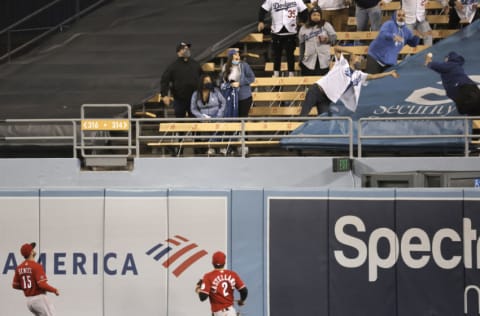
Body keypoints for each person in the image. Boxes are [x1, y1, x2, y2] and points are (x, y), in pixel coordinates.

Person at [301, 46, 400, 116]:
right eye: (358, 59)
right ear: (351, 60)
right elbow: (336, 48)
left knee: (325, 121)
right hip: (317, 90)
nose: (359, 60)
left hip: (327, 99)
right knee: (303, 116)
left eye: (361, 61)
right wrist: (350, 52)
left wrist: (389, 73)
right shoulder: (343, 64)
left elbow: (374, 76)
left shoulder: (359, 75)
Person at [258, 0, 308, 77]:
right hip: (276, 31)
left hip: (291, 31)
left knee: (290, 55)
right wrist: (261, 21)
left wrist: (304, 21)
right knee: (276, 54)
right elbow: (263, 10)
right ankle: (276, 73)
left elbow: (304, 10)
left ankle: (291, 73)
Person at [424, 51, 480, 115]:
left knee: (468, 108)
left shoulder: (451, 64)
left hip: (463, 89)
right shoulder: (456, 66)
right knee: (474, 112)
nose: (444, 60)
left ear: (449, 58)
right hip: (471, 89)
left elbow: (435, 65)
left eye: (446, 58)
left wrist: (429, 61)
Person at [366, 9, 421, 74]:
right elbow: (382, 34)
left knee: (388, 83)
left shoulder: (406, 31)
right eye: (399, 15)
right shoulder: (389, 24)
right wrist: (393, 36)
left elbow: (413, 44)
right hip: (375, 57)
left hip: (390, 61)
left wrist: (417, 37)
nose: (401, 17)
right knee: (371, 81)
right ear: (395, 16)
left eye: (403, 15)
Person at [12, 242, 60, 316]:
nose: (34, 250)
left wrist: (28, 287)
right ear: (31, 252)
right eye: (32, 249)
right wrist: (54, 290)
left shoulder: (19, 268)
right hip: (39, 298)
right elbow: (42, 284)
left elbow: (15, 285)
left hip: (29, 302)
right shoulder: (36, 266)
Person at [195, 251, 248, 316]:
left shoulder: (208, 276)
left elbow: (203, 297)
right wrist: (241, 301)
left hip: (219, 313)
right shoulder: (233, 274)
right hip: (231, 312)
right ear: (224, 262)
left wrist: (198, 289)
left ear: (212, 263)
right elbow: (244, 291)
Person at [160, 41, 203, 118]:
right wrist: (164, 95)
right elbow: (164, 80)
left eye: (187, 48)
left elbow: (203, 77)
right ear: (178, 52)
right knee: (180, 121)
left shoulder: (195, 64)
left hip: (194, 98)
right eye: (184, 49)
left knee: (195, 122)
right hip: (179, 99)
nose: (187, 50)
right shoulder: (173, 66)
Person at [191, 74, 227, 155]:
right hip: (204, 118)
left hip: (217, 116)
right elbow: (193, 109)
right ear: (202, 82)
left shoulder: (216, 91)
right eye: (206, 81)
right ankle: (211, 147)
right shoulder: (196, 94)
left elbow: (224, 102)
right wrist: (202, 117)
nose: (208, 83)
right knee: (206, 127)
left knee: (219, 125)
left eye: (209, 81)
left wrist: (219, 114)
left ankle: (221, 146)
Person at [298, 6, 337, 76]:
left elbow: (334, 38)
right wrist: (301, 59)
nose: (316, 16)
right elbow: (302, 44)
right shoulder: (303, 28)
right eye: (314, 15)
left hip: (324, 60)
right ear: (310, 16)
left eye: (318, 15)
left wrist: (327, 40)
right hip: (308, 60)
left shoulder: (326, 25)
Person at [220, 48, 256, 118]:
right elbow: (222, 82)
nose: (238, 57)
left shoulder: (244, 65)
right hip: (230, 97)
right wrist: (229, 85)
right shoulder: (225, 67)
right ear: (231, 56)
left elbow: (252, 78)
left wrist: (240, 83)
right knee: (231, 118)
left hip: (244, 98)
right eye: (236, 55)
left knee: (242, 118)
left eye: (238, 55)